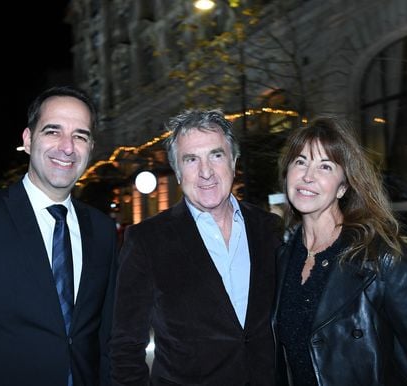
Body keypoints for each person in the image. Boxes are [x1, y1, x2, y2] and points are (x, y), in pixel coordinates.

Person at [0, 85, 118, 386]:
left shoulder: (103, 231)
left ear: (90, 148)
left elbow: (106, 337)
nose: (67, 147)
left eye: (80, 135)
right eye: (53, 131)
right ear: (28, 140)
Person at [272, 116, 407, 385]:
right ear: (287, 173)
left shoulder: (381, 257)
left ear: (343, 187)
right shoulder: (283, 257)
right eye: (300, 162)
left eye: (325, 166)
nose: (308, 176)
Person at [110, 109, 283, 385]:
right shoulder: (146, 241)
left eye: (216, 155)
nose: (206, 172)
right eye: (191, 160)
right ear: (178, 173)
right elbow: (124, 346)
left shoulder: (270, 229)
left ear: (233, 162)